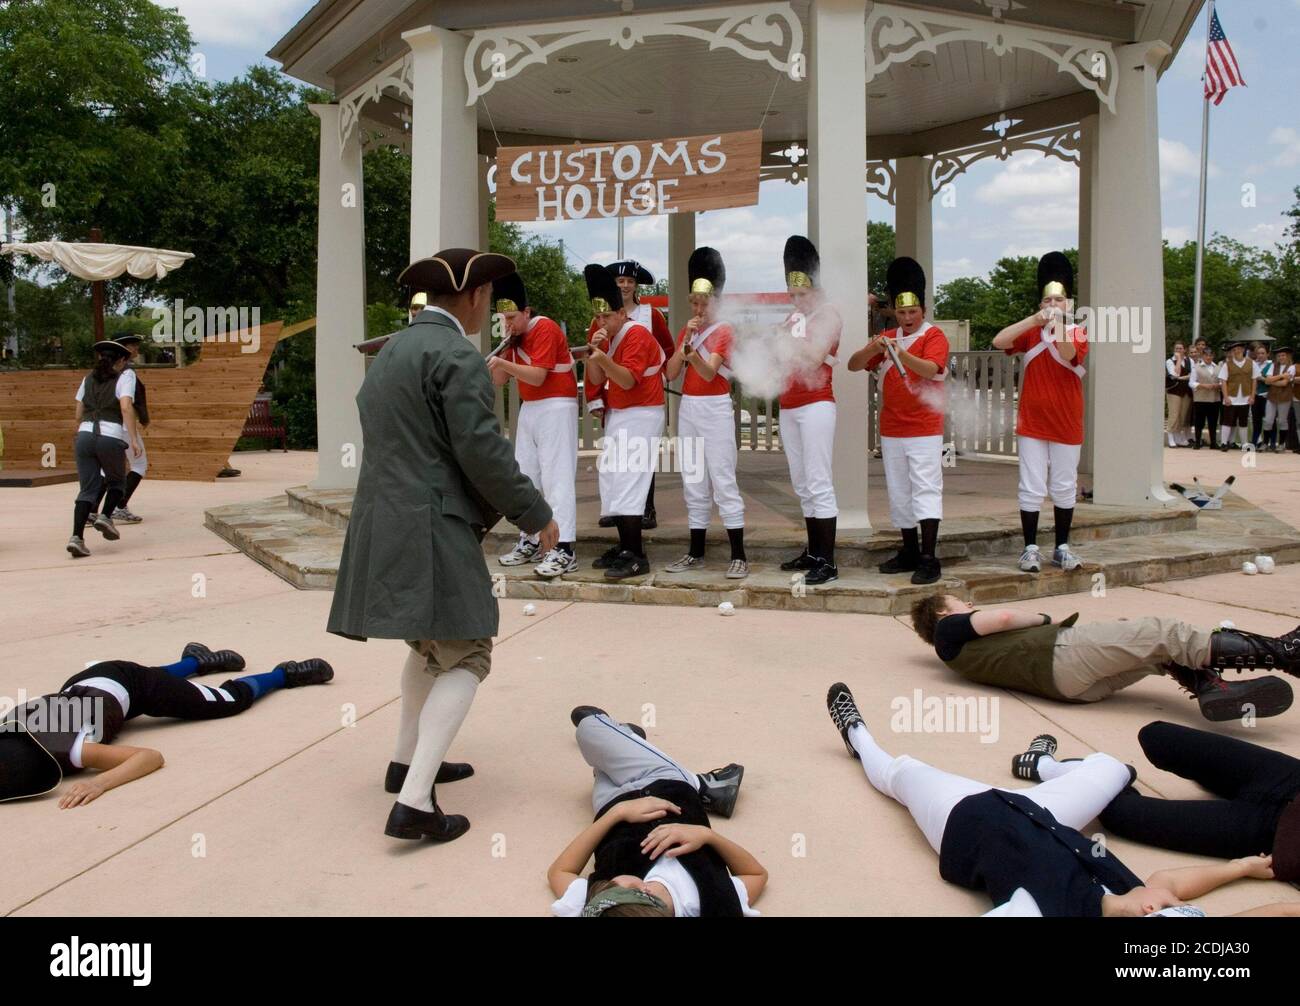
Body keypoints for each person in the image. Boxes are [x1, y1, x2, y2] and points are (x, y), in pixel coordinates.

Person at [328, 248, 560, 845]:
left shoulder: (391, 351)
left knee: (429, 642)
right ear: (477, 297)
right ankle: (412, 803)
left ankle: (406, 763)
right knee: (469, 648)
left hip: (383, 516)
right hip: (431, 521)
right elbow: (481, 450)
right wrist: (535, 513)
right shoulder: (457, 352)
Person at [824, 683, 1299, 916]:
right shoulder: (1144, 899)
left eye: (1163, 907)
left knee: (903, 773)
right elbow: (1170, 882)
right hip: (1046, 812)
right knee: (1114, 768)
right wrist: (1240, 869)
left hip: (965, 814)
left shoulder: (1041, 909)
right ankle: (1043, 764)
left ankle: (857, 734)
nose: (1162, 900)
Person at [0, 643, 332, 806]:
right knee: (152, 680)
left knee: (227, 702)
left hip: (129, 684)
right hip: (90, 680)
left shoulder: (73, 750)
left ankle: (284, 674)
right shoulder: (10, 725)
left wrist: (100, 783)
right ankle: (196, 660)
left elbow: (149, 756)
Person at [908, 593, 1296, 722]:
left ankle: (1213, 689)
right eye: (960, 602)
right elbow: (1006, 617)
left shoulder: (957, 657)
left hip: (1072, 691)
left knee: (1158, 651)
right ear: (943, 612)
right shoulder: (949, 629)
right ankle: (1283, 652)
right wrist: (1048, 618)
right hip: (1060, 655)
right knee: (1165, 632)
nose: (970, 604)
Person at [1011, 724, 1300, 887]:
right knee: (1157, 737)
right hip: (1289, 778)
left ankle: (1050, 769)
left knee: (1116, 813)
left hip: (1265, 831)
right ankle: (1223, 783)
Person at [546, 705, 762, 917]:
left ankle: (628, 736)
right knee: (589, 726)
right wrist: (706, 835)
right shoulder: (713, 902)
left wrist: (617, 812)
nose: (609, 881)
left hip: (610, 803)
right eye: (614, 884)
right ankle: (701, 785)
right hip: (664, 782)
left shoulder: (600, 908)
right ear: (644, 891)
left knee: (602, 766)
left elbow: (559, 872)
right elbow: (756, 874)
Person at [848, 256, 948, 585]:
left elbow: (930, 370)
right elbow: (853, 364)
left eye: (912, 312)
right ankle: (909, 551)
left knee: (925, 489)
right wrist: (875, 346)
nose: (907, 318)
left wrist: (898, 351)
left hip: (923, 428)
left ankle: (929, 557)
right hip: (891, 427)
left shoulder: (934, 337)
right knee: (899, 492)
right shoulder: (888, 335)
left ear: (922, 310)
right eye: (902, 312)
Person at [991, 252, 1089, 573]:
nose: (1052, 303)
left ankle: (1062, 546)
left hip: (1066, 422)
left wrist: (1059, 321)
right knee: (1031, 486)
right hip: (1032, 422)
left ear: (1069, 304)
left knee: (1063, 485)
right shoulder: (1032, 331)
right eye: (1047, 298)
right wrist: (1034, 320)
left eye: (1059, 299)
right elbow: (999, 340)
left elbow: (1067, 352)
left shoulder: (1078, 332)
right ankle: (1030, 547)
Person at [486, 271, 579, 579]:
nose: (508, 322)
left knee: (557, 477)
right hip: (530, 408)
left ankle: (564, 547)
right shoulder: (514, 337)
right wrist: (501, 352)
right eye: (503, 317)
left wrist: (504, 362)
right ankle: (530, 538)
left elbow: (538, 375)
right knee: (525, 475)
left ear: (526, 312)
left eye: (512, 316)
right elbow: (499, 381)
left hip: (556, 406)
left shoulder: (545, 328)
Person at [662, 247, 747, 578]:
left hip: (715, 407)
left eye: (704, 303)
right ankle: (695, 551)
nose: (698, 309)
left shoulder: (724, 330)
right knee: (693, 479)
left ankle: (738, 554)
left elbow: (711, 372)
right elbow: (670, 373)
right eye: (694, 303)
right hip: (690, 407)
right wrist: (686, 341)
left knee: (722, 477)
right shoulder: (688, 330)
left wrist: (692, 349)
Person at [585, 264, 666, 580]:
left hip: (643, 411)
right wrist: (596, 351)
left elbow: (628, 380)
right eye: (598, 317)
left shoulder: (636, 334)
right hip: (620, 411)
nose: (601, 322)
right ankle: (624, 547)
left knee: (630, 480)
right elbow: (595, 376)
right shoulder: (605, 334)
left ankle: (636, 555)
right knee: (613, 477)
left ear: (621, 313)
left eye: (606, 317)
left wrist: (603, 357)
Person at [776, 235, 843, 585]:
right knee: (802, 483)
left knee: (818, 481)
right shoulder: (792, 319)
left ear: (815, 290)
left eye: (802, 294)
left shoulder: (828, 314)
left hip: (816, 404)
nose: (797, 300)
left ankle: (828, 562)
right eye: (793, 295)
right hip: (789, 406)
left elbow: (815, 356)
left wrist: (783, 341)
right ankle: (814, 551)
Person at [68, 340, 140, 558]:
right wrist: (134, 439)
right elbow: (126, 407)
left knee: (87, 490)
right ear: (121, 360)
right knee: (117, 481)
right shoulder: (124, 378)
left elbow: (78, 413)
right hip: (109, 437)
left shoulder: (87, 379)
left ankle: (76, 538)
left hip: (84, 435)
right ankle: (105, 516)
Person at [94, 333, 149, 523]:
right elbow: (126, 405)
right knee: (139, 464)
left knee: (105, 469)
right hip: (121, 425)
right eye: (133, 346)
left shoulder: (99, 372)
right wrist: (133, 435)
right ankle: (120, 505)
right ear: (123, 349)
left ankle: (92, 509)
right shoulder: (126, 372)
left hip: (99, 424)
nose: (136, 349)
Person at [1217, 339, 1260, 451]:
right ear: (1232, 352)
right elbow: (1223, 381)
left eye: (1239, 349)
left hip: (1245, 397)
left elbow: (1254, 380)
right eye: (1234, 350)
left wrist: (1252, 396)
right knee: (1227, 420)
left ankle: (1244, 444)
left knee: (1243, 421)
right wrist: (1226, 397)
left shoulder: (1252, 363)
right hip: (1231, 396)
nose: (1237, 351)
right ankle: (1223, 443)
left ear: (1243, 350)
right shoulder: (1227, 365)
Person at [1261, 346, 1294, 452]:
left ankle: (1281, 444)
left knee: (1282, 421)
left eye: (1283, 355)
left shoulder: (1291, 367)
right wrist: (1281, 375)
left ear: (1288, 356)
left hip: (1285, 397)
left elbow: (1284, 383)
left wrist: (1272, 381)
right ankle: (1265, 443)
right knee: (1268, 420)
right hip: (1272, 396)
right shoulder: (1273, 366)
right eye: (1279, 355)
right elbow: (1266, 381)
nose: (1281, 357)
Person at [1188, 343, 1221, 449]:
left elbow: (1222, 381)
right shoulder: (1196, 367)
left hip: (1214, 399)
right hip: (1200, 398)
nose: (1208, 357)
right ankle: (1197, 442)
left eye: (1210, 355)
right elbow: (1191, 383)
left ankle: (1213, 443)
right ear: (1202, 356)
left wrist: (1218, 385)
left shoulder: (1217, 367)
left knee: (1213, 422)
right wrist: (1202, 385)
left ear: (1213, 356)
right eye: (1206, 355)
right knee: (1199, 422)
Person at [1164, 341, 1192, 448]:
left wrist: (1181, 378)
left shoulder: (1189, 361)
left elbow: (1191, 375)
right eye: (1176, 349)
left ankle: (1177, 436)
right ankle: (1170, 435)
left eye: (1180, 348)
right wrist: (1179, 360)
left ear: (1184, 350)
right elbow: (1175, 374)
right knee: (1174, 414)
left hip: (1186, 390)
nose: (1179, 350)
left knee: (1182, 415)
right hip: (1174, 391)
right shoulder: (1170, 361)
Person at [1250, 342, 1272, 448]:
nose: (1260, 355)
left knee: (1269, 420)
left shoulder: (1271, 364)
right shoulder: (1253, 364)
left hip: (1266, 395)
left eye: (1263, 353)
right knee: (1256, 420)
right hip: (1256, 395)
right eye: (1258, 353)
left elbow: (1270, 380)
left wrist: (1260, 378)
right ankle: (1254, 442)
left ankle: (1271, 442)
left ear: (1267, 354)